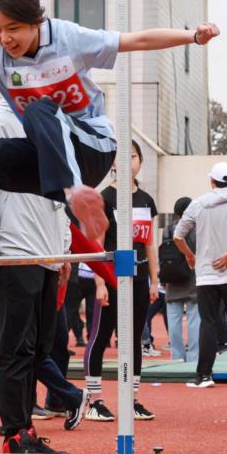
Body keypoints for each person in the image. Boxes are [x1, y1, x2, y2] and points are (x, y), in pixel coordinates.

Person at [0, 0, 219, 260]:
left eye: (14, 29)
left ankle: (75, 192)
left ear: (36, 22)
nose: (5, 39)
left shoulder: (67, 37)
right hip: (49, 159)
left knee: (38, 108)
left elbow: (137, 40)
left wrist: (192, 37)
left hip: (92, 149)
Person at [0, 101, 87, 454]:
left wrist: (63, 249)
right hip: (15, 250)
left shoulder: (54, 125)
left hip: (48, 252)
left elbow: (60, 194)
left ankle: (27, 432)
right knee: (16, 348)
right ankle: (15, 434)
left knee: (39, 347)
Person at [85, 140, 158, 422]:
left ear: (140, 161)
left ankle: (133, 399)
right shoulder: (104, 198)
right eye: (122, 157)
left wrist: (155, 280)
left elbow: (150, 244)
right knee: (101, 336)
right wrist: (100, 282)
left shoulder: (146, 200)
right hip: (112, 278)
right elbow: (97, 244)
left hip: (139, 279)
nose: (129, 162)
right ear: (113, 163)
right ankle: (94, 399)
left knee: (134, 340)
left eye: (134, 157)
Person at [174, 161, 227, 389]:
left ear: (212, 181)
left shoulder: (199, 204)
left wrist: (191, 256)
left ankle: (204, 376)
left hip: (207, 274)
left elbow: (178, 236)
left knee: (208, 323)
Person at [163, 196, 200, 363]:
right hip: (192, 276)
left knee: (174, 319)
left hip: (172, 276)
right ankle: (193, 357)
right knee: (194, 319)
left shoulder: (167, 229)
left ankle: (177, 356)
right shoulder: (195, 228)